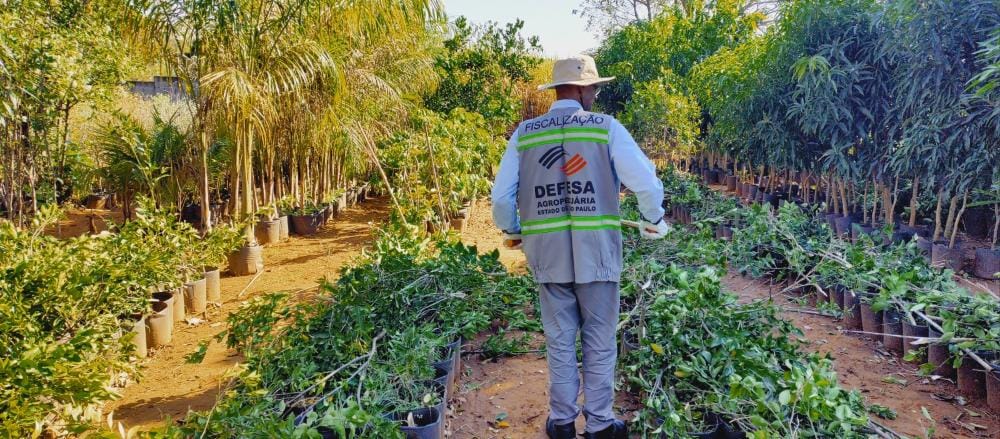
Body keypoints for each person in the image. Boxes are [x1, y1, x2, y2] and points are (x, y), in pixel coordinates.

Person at [491, 55, 669, 439]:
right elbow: (647, 183)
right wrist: (653, 220)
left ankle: (562, 423)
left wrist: (512, 229)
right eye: (594, 88)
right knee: (600, 341)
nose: (595, 94)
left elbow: (502, 199)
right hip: (598, 255)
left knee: (559, 340)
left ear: (556, 90)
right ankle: (601, 425)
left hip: (547, 254)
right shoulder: (605, 129)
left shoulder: (526, 134)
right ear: (584, 89)